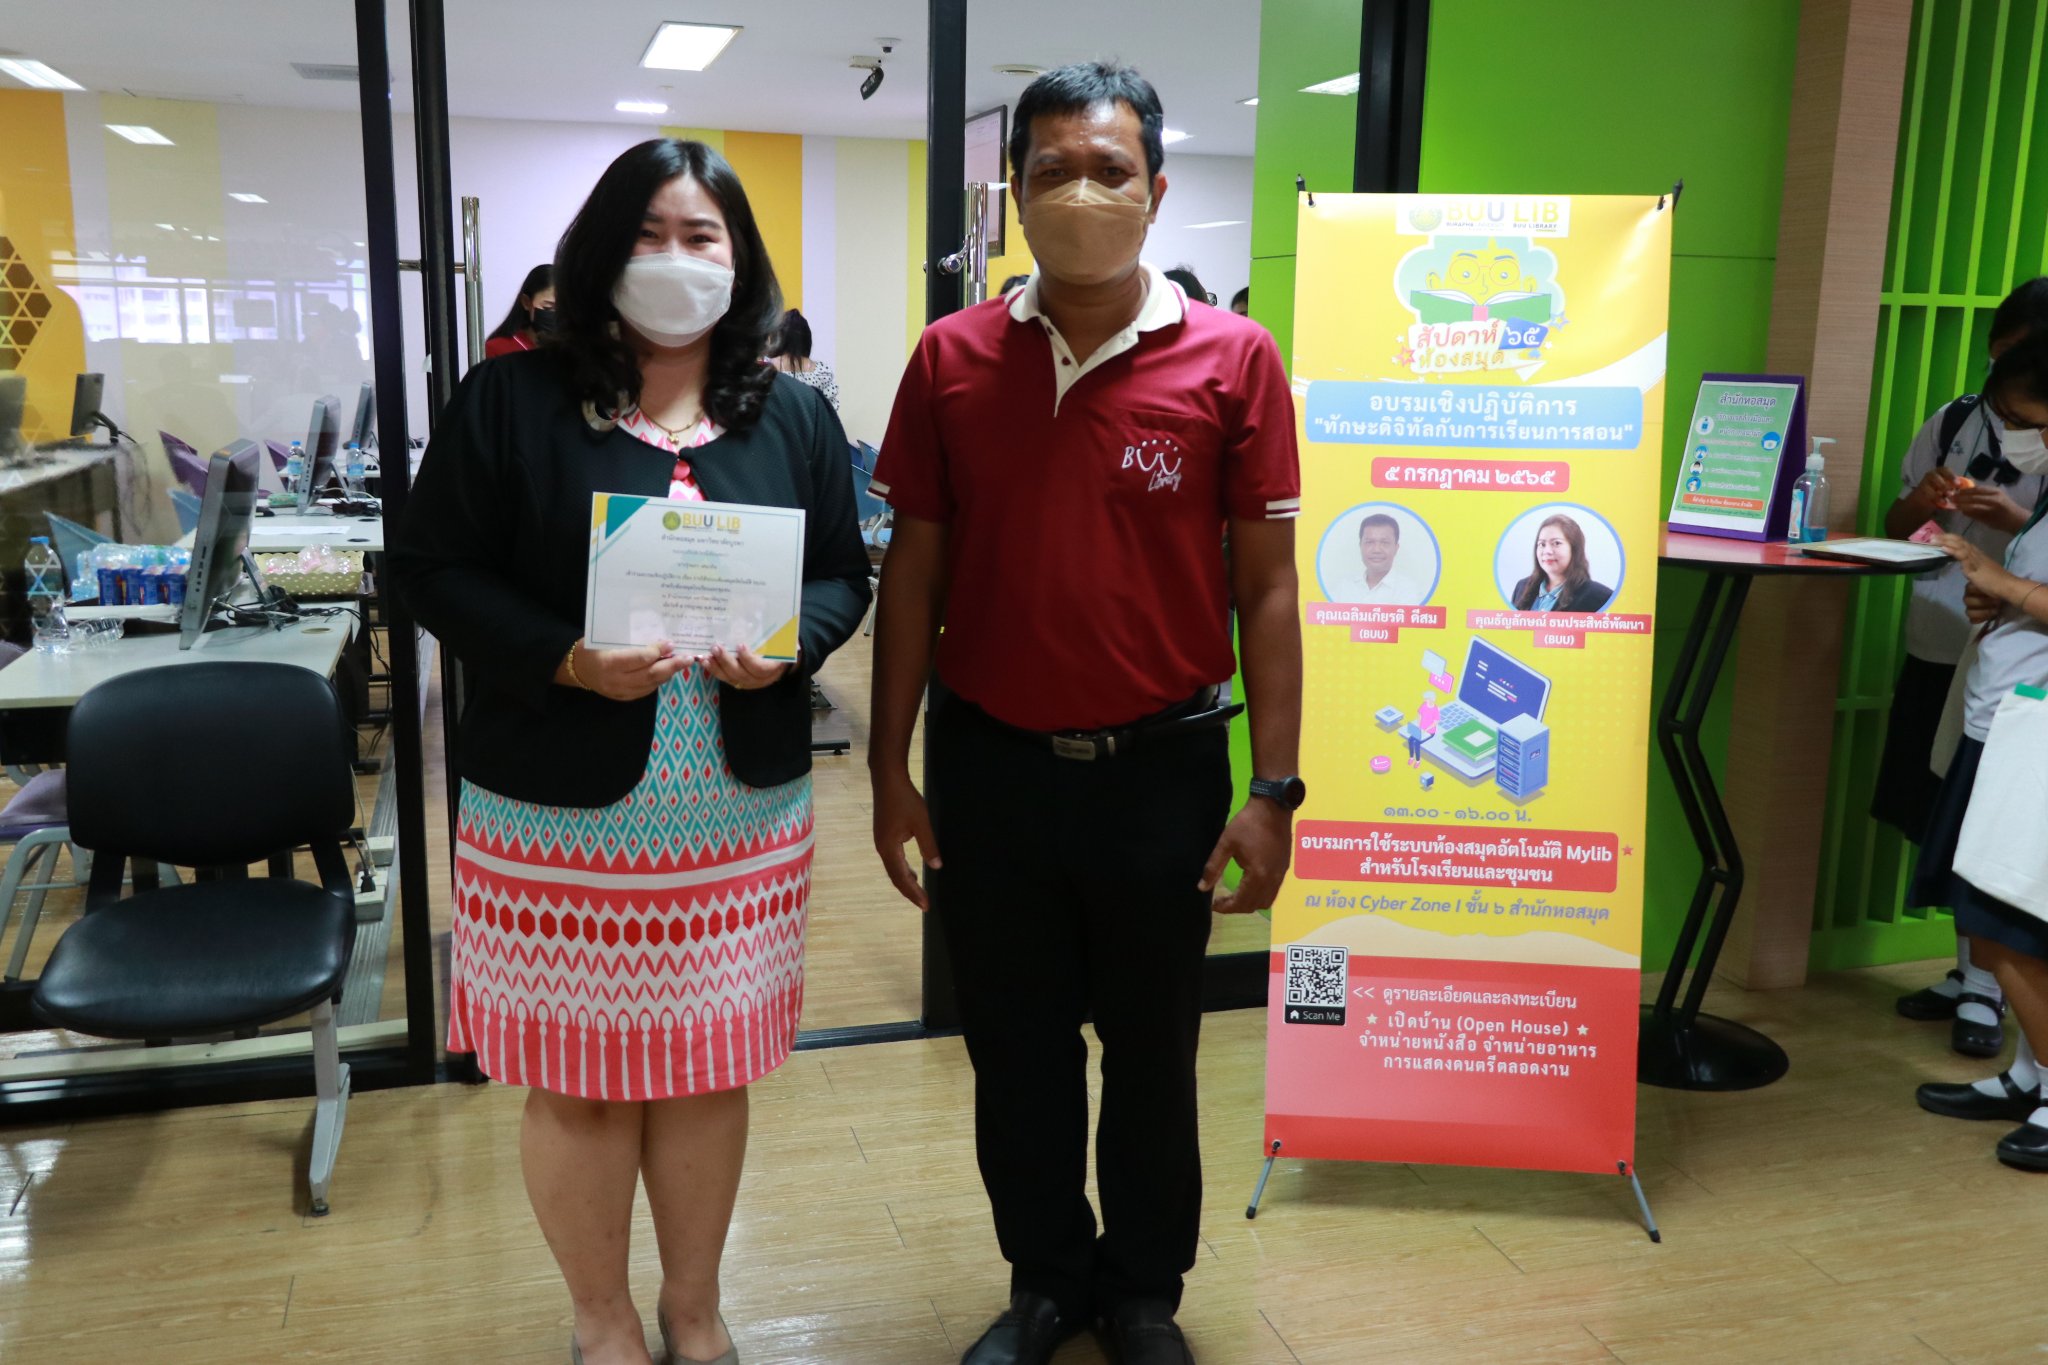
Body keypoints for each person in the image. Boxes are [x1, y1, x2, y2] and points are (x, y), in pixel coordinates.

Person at [389, 138, 871, 1365]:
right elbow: (432, 569)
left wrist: (787, 649)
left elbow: (840, 575)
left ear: (739, 260)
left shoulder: (792, 415)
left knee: (709, 1070)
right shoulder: (510, 400)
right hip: (557, 817)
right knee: (580, 1081)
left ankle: (694, 1312)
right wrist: (563, 657)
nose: (675, 258)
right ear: (601, 253)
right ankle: (600, 1319)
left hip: (734, 818)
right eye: (649, 234)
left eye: (701, 236)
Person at [868, 62, 1303, 1365]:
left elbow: (1269, 588)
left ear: (1156, 191)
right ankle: (1046, 1283)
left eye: (1108, 168)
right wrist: (889, 771)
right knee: (1017, 1051)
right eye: (1050, 169)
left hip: (1161, 773)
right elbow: (913, 575)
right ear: (1014, 194)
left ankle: (1143, 1293)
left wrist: (1272, 791)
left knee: (1154, 1052)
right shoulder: (951, 359)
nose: (1080, 191)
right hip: (991, 768)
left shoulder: (1233, 359)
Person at [1879, 277, 2048, 1054]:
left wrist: (2005, 550)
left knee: (1998, 853)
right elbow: (1896, 522)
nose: (2012, 423)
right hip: (1959, 648)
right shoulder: (1954, 418)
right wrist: (1929, 504)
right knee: (1945, 824)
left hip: (2024, 691)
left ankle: (1992, 996)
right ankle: (1975, 979)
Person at [1907, 328, 2048, 1173]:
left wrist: (2005, 583)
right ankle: (2030, 1076)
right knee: (1990, 921)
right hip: (2003, 715)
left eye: (2036, 422)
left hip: (2033, 732)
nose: (2031, 440)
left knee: (2008, 930)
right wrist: (2005, 595)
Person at [1508, 513, 1612, 612]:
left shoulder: (1599, 596)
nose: (1547, 551)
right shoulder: (1521, 587)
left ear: (1574, 548)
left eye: (1556, 543)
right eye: (1542, 544)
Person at [765, 308, 839, 411]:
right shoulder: (822, 371)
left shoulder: (768, 367)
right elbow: (831, 412)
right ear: (807, 338)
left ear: (778, 338)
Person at [1344, 512, 1425, 604]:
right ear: (1360, 546)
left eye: (1385, 543)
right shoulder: (1343, 588)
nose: (1376, 550)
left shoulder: (1411, 592)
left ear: (1396, 548)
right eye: (1369, 542)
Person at [485, 263, 556, 357]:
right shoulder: (498, 349)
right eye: (548, 307)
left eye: (565, 308)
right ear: (526, 302)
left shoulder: (572, 350)